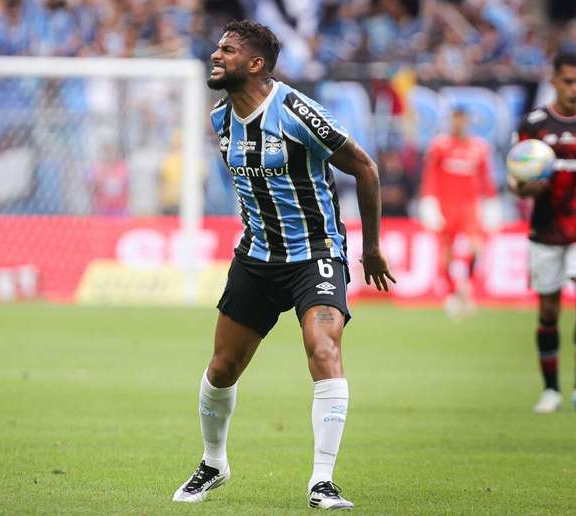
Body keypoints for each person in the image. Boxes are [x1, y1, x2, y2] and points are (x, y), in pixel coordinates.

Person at [172, 20, 395, 510]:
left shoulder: (295, 111)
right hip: (255, 257)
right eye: (217, 48)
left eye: (227, 50)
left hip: (314, 254)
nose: (215, 55)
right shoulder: (220, 119)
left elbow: (364, 167)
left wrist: (371, 247)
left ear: (255, 64)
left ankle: (322, 481)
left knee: (322, 348)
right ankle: (213, 463)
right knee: (222, 368)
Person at [508, 52, 576, 413]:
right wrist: (523, 188)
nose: (574, 88)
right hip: (547, 229)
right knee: (549, 310)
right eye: (568, 81)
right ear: (553, 80)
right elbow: (514, 179)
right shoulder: (534, 124)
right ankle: (551, 390)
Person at [418, 106, 498, 318]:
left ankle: (467, 287)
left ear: (468, 121)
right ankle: (453, 293)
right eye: (455, 119)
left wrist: (491, 202)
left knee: (476, 248)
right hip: (445, 206)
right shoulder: (439, 146)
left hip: (469, 207)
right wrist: (429, 201)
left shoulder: (479, 148)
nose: (459, 123)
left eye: (462, 119)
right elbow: (430, 176)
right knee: (445, 254)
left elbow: (485, 179)